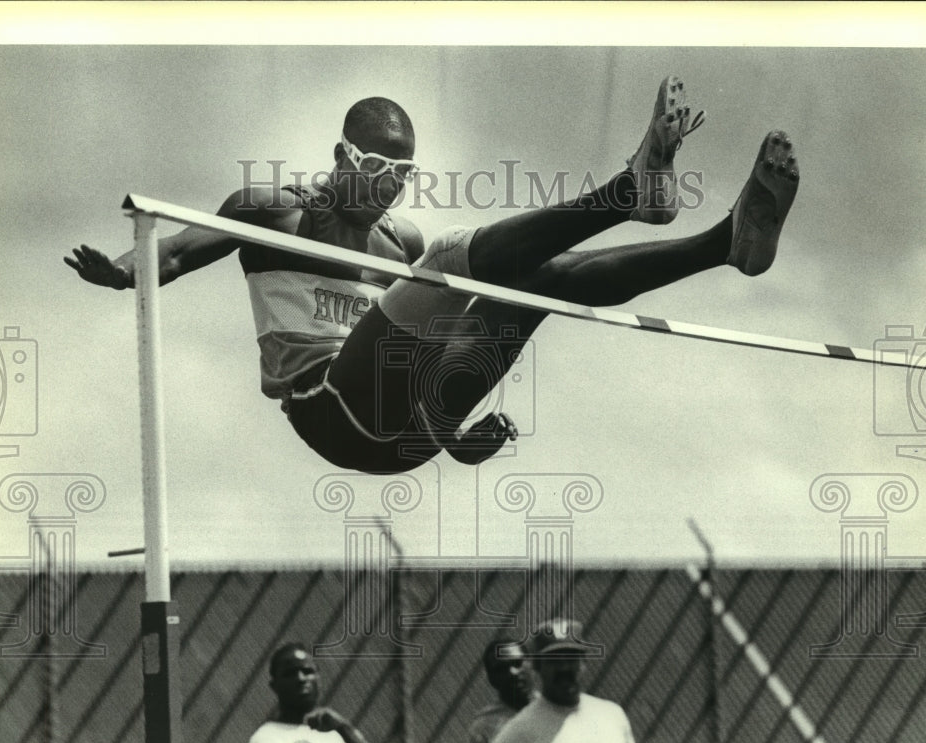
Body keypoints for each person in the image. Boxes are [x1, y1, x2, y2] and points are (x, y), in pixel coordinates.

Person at [65, 77, 799, 475]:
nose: (391, 185)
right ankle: (624, 194)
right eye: (379, 167)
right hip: (330, 409)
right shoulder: (273, 211)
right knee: (450, 260)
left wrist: (452, 433)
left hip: (407, 436)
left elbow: (424, 356)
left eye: (405, 172)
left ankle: (722, 244)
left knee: (531, 284)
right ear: (342, 155)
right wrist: (123, 271)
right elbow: (176, 250)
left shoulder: (395, 241)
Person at [488, 618, 639, 743]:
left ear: (583, 664)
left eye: (571, 658)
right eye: (554, 660)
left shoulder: (612, 716)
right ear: (538, 666)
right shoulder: (519, 732)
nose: (564, 667)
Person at [246, 642, 381, 743]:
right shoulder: (267, 738)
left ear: (318, 679)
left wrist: (344, 729)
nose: (301, 678)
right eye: (290, 673)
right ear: (274, 686)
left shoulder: (339, 731)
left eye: (307, 671)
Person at [465, 637, 537, 743]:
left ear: (532, 665)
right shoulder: (485, 727)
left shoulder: (559, 709)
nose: (513, 672)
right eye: (502, 669)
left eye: (517, 663)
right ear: (492, 679)